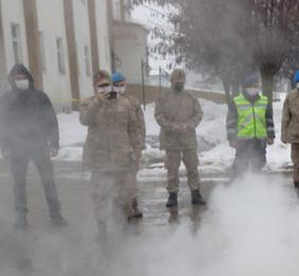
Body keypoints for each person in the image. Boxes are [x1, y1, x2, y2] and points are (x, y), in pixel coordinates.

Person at [0, 64, 67, 229]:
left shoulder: (40, 97)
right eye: (17, 78)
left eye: (23, 78)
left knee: (48, 181)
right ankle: (21, 217)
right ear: (12, 81)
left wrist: (54, 143)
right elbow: (1, 125)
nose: (20, 81)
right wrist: (4, 147)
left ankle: (56, 215)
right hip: (16, 147)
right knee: (19, 183)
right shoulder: (6, 100)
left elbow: (51, 121)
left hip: (39, 144)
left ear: (29, 78)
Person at [80, 70, 144, 239]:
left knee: (125, 194)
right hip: (99, 158)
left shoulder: (125, 104)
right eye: (100, 86)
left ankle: (125, 225)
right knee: (100, 195)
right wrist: (98, 103)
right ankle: (102, 230)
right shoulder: (89, 104)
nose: (104, 89)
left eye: (106, 85)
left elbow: (134, 130)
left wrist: (137, 152)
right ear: (95, 87)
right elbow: (85, 119)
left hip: (122, 157)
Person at [155, 69, 205, 208]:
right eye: (178, 82)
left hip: (188, 139)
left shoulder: (190, 97)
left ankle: (196, 193)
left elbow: (198, 114)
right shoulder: (163, 97)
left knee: (193, 167)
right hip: (171, 140)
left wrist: (189, 125)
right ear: (171, 81)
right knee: (172, 169)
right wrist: (173, 127)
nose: (180, 85)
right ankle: (172, 195)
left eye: (182, 83)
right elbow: (159, 116)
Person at [111, 71, 145, 219]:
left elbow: (140, 124)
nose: (119, 88)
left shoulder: (133, 102)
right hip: (113, 148)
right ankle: (119, 207)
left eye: (122, 85)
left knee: (130, 179)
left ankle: (133, 205)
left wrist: (139, 145)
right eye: (116, 85)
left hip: (130, 147)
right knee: (116, 178)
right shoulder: (108, 102)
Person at [227, 73, 274, 176]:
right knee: (240, 166)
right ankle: (239, 187)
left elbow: (269, 119)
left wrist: (271, 136)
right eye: (250, 86)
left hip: (259, 140)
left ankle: (255, 187)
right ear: (245, 88)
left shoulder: (264, 101)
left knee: (258, 165)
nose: (253, 89)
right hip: (243, 140)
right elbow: (231, 121)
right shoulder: (236, 102)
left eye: (255, 86)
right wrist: (231, 138)